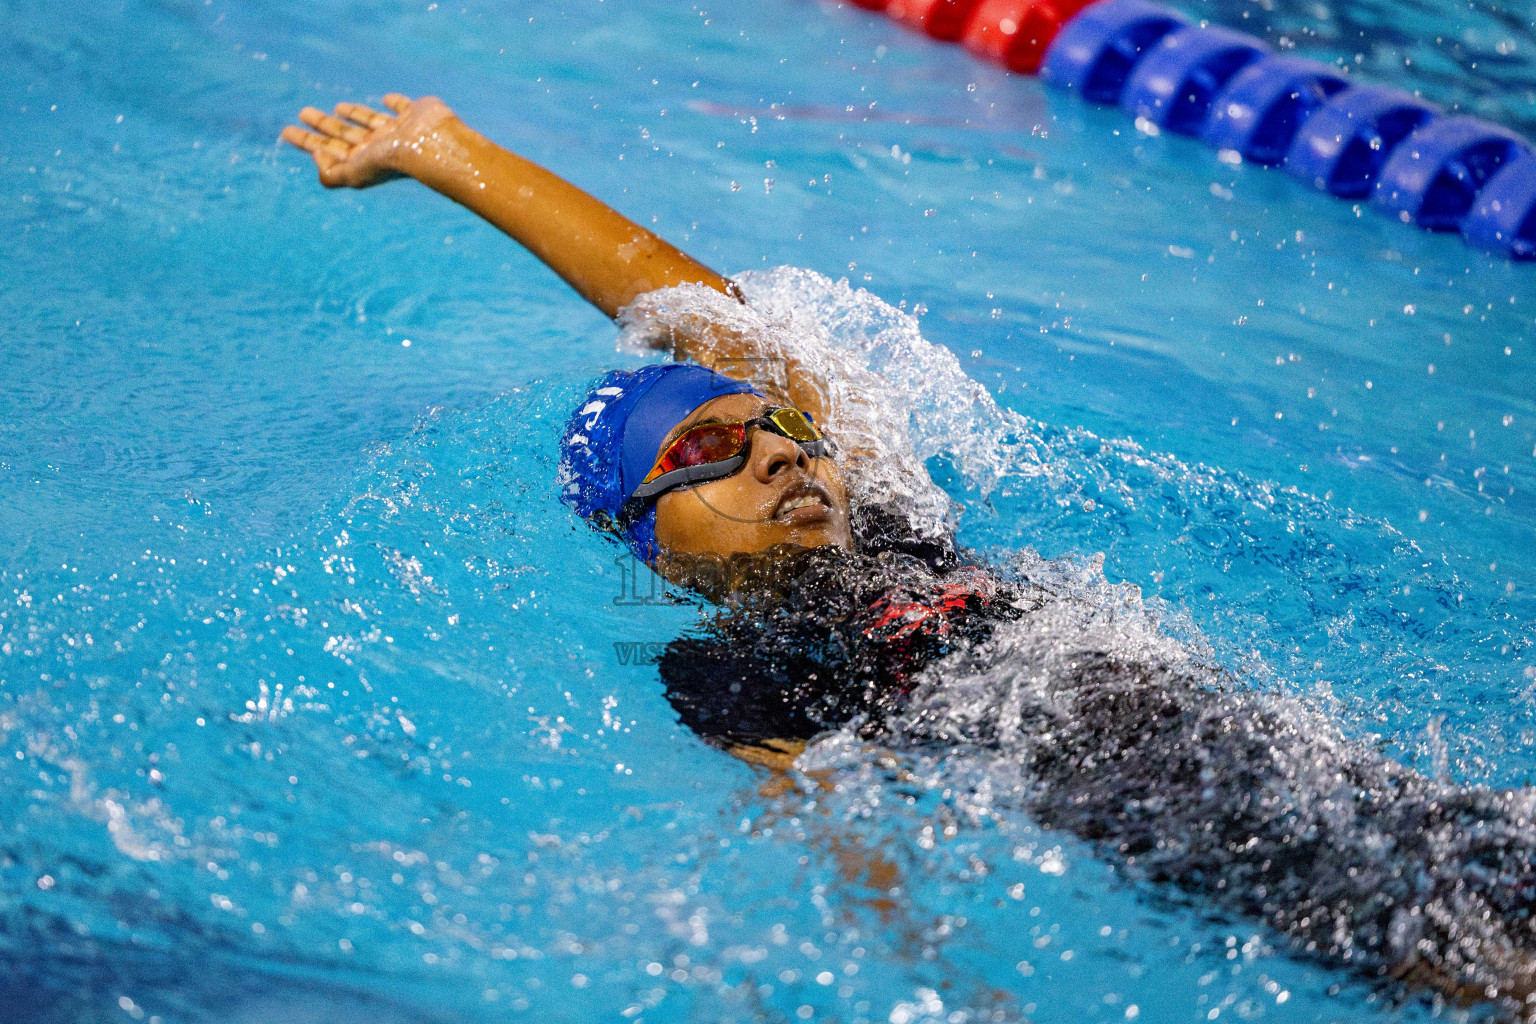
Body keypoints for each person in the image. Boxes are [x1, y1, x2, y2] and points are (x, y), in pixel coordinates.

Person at [282, 95, 1536, 1013]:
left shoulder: (890, 520)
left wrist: (458, 156)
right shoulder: (723, 675)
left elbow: (707, 317)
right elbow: (841, 840)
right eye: (705, 453)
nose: (775, 452)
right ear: (649, 545)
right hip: (1185, 830)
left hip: (1289, 754)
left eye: (776, 431)